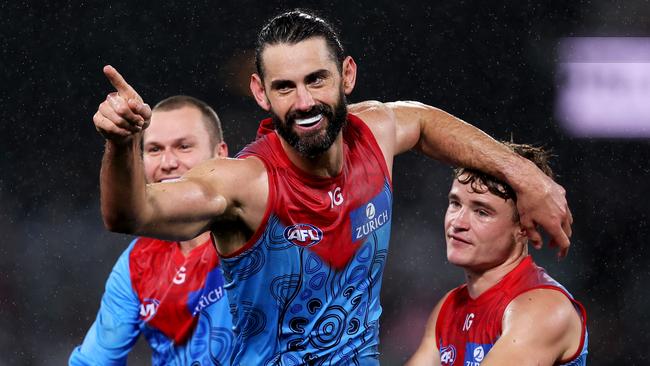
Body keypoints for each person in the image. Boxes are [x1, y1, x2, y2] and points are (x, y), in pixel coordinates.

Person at [92, 10, 573, 365]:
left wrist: (524, 174)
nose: (304, 102)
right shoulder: (242, 182)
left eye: (317, 80)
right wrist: (120, 146)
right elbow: (130, 214)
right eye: (285, 87)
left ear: (347, 76)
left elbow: (424, 122)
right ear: (261, 92)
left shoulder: (375, 134)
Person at [70, 96, 234, 365]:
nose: (168, 162)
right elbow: (93, 361)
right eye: (155, 150)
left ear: (221, 153)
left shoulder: (259, 229)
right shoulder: (136, 266)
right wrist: (121, 142)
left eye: (184, 146)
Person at [406, 143, 587, 366]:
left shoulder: (543, 308)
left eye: (482, 212)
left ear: (524, 227)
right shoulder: (448, 307)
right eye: (455, 203)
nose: (458, 223)